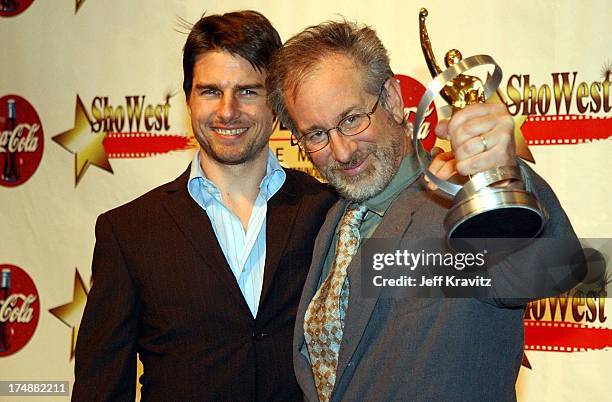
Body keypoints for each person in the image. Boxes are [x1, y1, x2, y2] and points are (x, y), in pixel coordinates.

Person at [266, 20, 585, 401]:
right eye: (316, 134)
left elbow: (556, 266)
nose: (341, 151)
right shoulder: (334, 222)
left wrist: (505, 176)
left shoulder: (459, 201)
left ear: (394, 100)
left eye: (351, 119)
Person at [72, 11, 337, 401]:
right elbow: (102, 388)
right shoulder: (129, 231)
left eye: (248, 90)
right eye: (211, 91)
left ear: (277, 102)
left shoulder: (328, 210)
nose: (227, 111)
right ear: (188, 99)